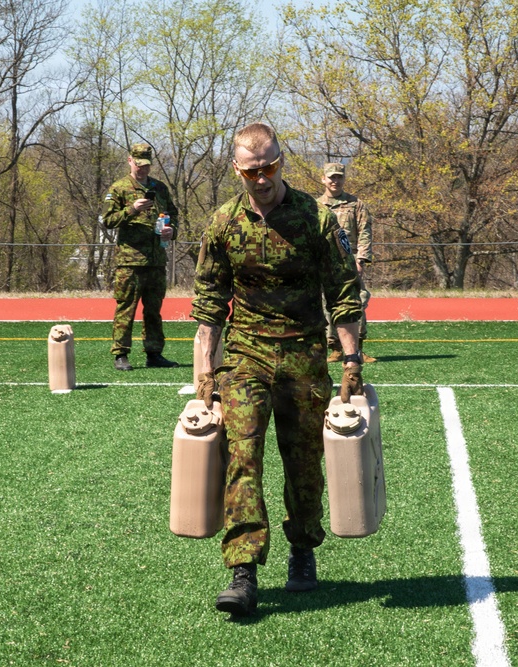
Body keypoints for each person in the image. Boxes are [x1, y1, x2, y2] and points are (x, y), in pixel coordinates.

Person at [192, 123, 364, 617]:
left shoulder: (315, 219)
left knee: (304, 460)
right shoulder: (223, 223)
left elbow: (343, 292)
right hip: (246, 355)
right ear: (236, 170)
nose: (262, 178)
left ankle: (303, 549)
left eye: (269, 167)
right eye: (252, 170)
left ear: (281, 161)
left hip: (303, 353)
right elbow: (208, 305)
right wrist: (205, 374)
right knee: (242, 454)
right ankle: (243, 570)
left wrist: (350, 361)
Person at [100, 142, 179, 371]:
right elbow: (107, 220)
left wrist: (172, 230)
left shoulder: (160, 188)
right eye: (138, 164)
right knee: (127, 307)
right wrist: (133, 209)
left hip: (155, 260)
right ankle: (121, 354)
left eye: (146, 165)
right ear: (130, 161)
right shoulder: (119, 188)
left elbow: (173, 214)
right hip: (130, 261)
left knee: (153, 309)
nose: (142, 169)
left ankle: (154, 353)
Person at [319, 162, 375, 363]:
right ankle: (334, 347)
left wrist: (361, 259)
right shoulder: (316, 206)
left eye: (339, 177)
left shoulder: (356, 204)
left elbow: (365, 232)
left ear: (344, 179)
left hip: (350, 262)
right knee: (327, 303)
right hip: (325, 262)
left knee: (357, 301)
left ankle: (358, 347)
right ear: (323, 179)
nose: (335, 180)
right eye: (331, 177)